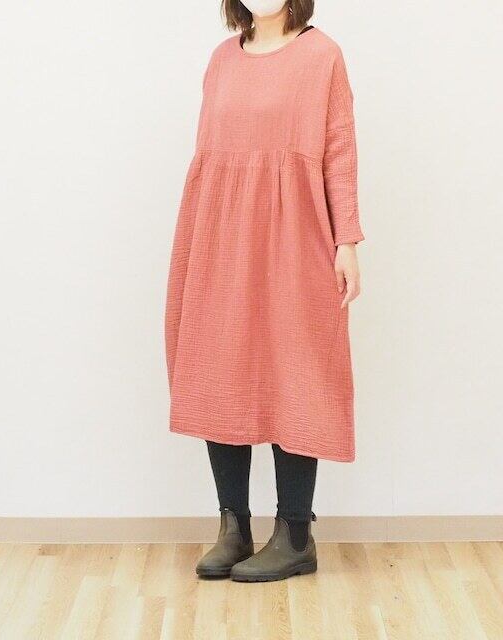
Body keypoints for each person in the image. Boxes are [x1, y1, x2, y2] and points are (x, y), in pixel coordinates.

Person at [165, 0, 364, 582]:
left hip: (296, 233)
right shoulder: (221, 59)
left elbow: (340, 151)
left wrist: (346, 239)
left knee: (296, 372)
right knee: (220, 367)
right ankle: (234, 527)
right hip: (221, 233)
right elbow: (210, 158)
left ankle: (295, 535)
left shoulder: (323, 55)